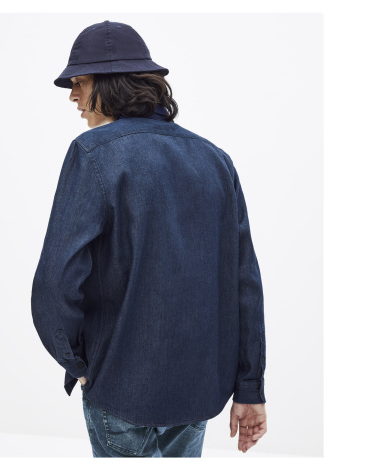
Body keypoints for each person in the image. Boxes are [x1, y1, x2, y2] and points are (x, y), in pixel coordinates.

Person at [31, 20, 267, 458]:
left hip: (121, 387)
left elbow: (54, 283)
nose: (72, 96)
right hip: (198, 391)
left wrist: (76, 361)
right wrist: (250, 387)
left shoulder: (93, 153)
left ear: (110, 82)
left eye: (79, 82)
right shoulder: (215, 160)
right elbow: (245, 284)